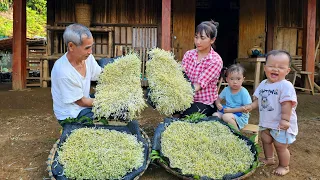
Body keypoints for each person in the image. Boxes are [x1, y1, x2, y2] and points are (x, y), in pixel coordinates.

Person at [244, 50, 298, 176]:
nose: (276, 69)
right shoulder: (263, 84)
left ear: (287, 71)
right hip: (266, 121)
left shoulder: (285, 86)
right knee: (265, 139)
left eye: (281, 67)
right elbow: (258, 100)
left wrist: (285, 120)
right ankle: (269, 159)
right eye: (272, 66)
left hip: (280, 124)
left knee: (280, 145)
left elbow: (287, 104)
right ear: (265, 68)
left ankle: (284, 166)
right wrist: (251, 106)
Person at [51, 23, 103, 124]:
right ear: (71, 46)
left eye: (91, 47)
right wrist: (107, 102)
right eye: (87, 48)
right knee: (108, 119)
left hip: (83, 102)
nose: (90, 52)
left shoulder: (87, 58)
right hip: (71, 114)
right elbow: (81, 102)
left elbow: (100, 74)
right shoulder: (63, 71)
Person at [180, 20, 223, 117]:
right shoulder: (189, 54)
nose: (198, 41)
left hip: (205, 102)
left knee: (186, 116)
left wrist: (182, 91)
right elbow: (182, 75)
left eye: (202, 38)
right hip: (186, 97)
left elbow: (198, 85)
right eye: (196, 37)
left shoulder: (215, 60)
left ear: (212, 40)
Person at [213, 64, 252, 130]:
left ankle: (236, 134)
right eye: (232, 79)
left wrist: (231, 110)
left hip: (240, 116)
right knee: (215, 115)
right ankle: (223, 132)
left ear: (243, 79)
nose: (235, 82)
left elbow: (247, 108)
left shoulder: (244, 92)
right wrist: (218, 104)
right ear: (227, 79)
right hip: (228, 111)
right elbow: (218, 99)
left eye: (238, 79)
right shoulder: (226, 89)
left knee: (226, 117)